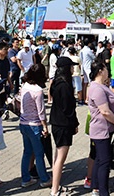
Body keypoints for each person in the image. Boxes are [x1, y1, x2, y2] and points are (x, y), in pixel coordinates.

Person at [88, 61, 114, 196]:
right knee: (105, 161)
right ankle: (102, 191)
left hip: (104, 129)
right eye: (106, 69)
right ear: (101, 70)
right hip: (101, 130)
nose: (108, 71)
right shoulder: (96, 88)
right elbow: (105, 111)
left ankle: (96, 187)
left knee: (100, 159)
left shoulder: (101, 86)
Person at [49, 57, 80, 196]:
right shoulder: (65, 85)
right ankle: (54, 190)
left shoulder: (56, 83)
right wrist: (75, 124)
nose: (73, 69)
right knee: (60, 159)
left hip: (56, 122)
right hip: (63, 124)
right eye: (71, 67)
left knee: (58, 157)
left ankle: (56, 186)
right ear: (66, 68)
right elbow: (68, 109)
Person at [18, 64, 52, 188]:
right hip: (34, 125)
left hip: (23, 123)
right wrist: (45, 126)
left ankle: (25, 178)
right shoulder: (37, 90)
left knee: (27, 152)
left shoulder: (24, 86)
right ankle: (44, 178)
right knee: (39, 153)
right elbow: (41, 111)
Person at [80, 38, 96, 104]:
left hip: (83, 67)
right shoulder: (88, 50)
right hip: (88, 68)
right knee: (91, 84)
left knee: (85, 84)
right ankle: (88, 98)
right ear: (89, 43)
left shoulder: (82, 50)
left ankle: (84, 98)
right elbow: (94, 58)